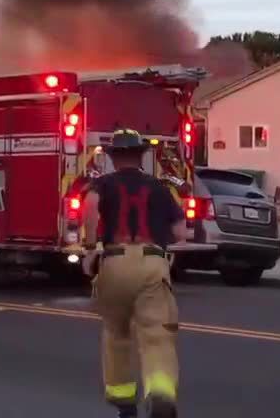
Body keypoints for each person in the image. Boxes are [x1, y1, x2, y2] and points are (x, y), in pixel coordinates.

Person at [81, 128, 187, 418]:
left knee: (117, 334)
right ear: (141, 156)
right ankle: (161, 393)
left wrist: (90, 247)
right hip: (152, 263)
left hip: (114, 262)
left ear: (114, 158)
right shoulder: (158, 187)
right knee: (157, 335)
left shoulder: (102, 184)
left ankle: (124, 403)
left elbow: (90, 207)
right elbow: (180, 232)